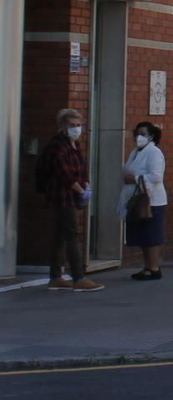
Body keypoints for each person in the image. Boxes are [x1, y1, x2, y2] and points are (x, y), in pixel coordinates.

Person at [40, 108, 102, 291]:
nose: (76, 128)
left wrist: (86, 186)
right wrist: (80, 190)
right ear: (63, 126)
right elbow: (64, 174)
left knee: (60, 235)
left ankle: (55, 276)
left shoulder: (74, 144)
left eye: (78, 125)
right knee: (73, 234)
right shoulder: (58, 145)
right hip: (63, 195)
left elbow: (80, 169)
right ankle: (78, 277)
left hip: (72, 194)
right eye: (72, 125)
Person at [120, 121, 168, 280]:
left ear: (151, 136)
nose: (139, 137)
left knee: (151, 234)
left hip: (152, 200)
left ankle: (154, 267)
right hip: (137, 198)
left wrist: (134, 178)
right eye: (137, 134)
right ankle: (147, 266)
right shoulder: (136, 152)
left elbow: (156, 176)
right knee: (143, 235)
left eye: (143, 134)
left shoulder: (154, 152)